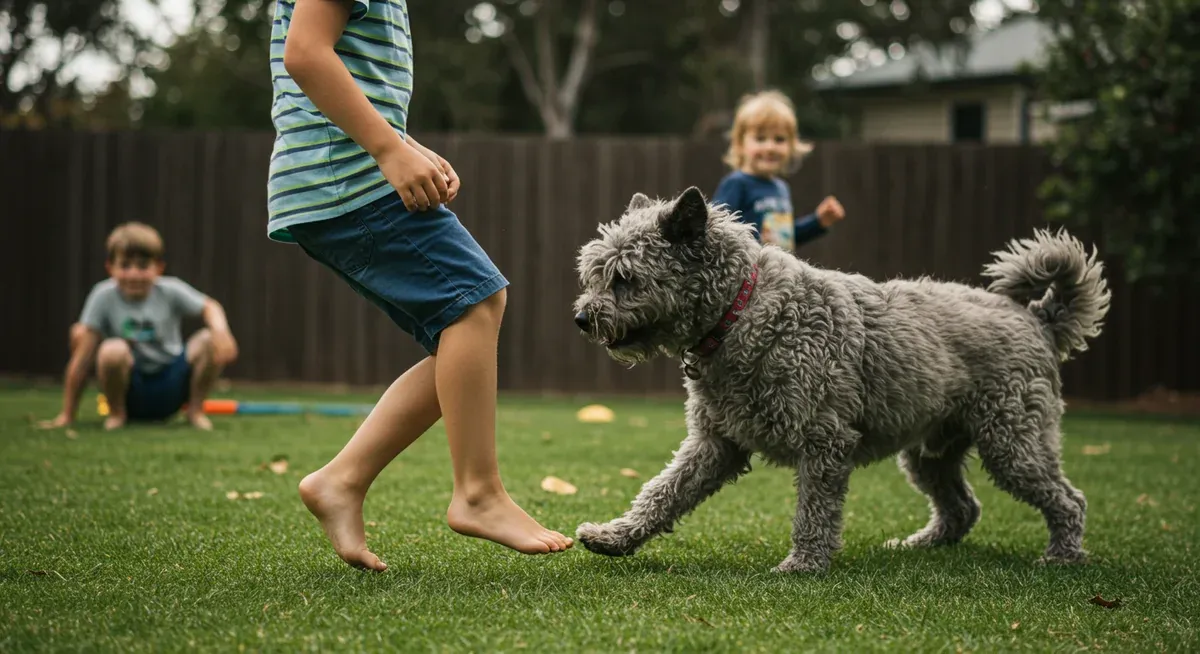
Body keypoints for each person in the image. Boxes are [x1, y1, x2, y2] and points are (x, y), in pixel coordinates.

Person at [268, 0, 572, 571]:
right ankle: (478, 492)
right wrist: (385, 149)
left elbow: (357, 76)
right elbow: (306, 54)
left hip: (336, 177)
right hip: (346, 176)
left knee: (465, 331)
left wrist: (404, 145)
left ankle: (342, 480)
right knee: (475, 302)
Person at [38, 222, 238, 432]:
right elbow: (81, 359)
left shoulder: (170, 290)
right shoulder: (102, 296)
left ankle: (195, 412)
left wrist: (221, 332)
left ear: (159, 268)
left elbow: (210, 306)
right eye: (125, 265)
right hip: (130, 389)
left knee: (208, 339)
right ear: (110, 268)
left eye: (143, 266)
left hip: (170, 385)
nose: (134, 274)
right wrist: (67, 415)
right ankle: (117, 414)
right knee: (107, 347)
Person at [713, 90, 846, 252]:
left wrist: (818, 221)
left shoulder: (780, 188)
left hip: (776, 274)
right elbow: (715, 234)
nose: (770, 147)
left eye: (779, 139)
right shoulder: (736, 184)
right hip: (747, 274)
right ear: (740, 144)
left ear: (791, 146)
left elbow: (783, 239)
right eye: (760, 139)